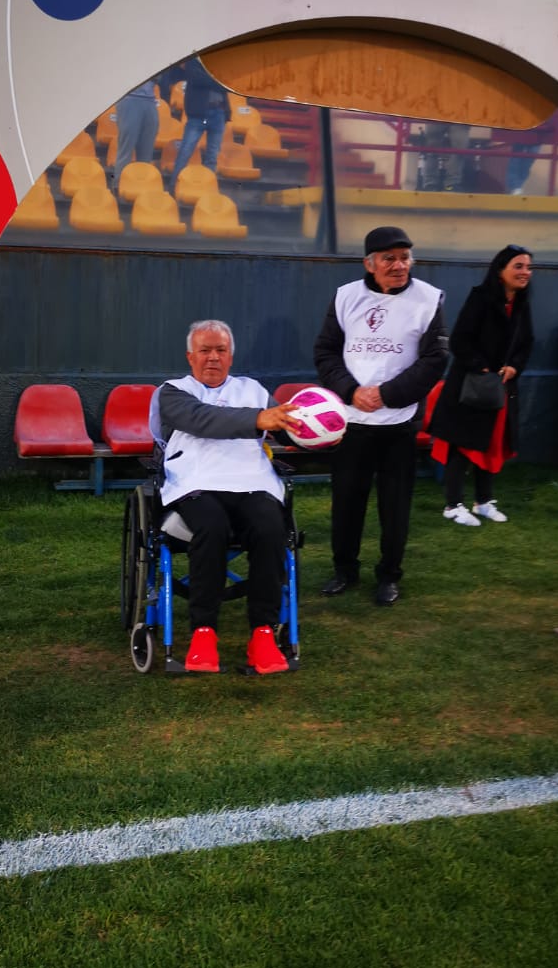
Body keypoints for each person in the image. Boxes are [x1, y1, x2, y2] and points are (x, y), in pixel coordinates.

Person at [153, 319, 301, 673]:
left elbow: (285, 429)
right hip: (195, 483)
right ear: (190, 356)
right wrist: (260, 419)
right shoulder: (173, 392)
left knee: (270, 528)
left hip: (252, 482)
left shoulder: (254, 390)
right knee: (212, 527)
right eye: (205, 350)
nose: (213, 357)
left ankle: (263, 633)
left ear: (231, 356)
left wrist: (316, 430)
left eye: (220, 350)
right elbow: (202, 419)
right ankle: (203, 632)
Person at [313, 226, 448, 606]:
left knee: (395, 506)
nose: (399, 265)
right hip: (351, 422)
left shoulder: (428, 299)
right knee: (346, 503)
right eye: (389, 259)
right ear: (369, 264)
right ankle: (344, 570)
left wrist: (387, 394)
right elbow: (326, 352)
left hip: (398, 424)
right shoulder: (345, 297)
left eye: (405, 257)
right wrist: (351, 391)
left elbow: (435, 359)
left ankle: (389, 575)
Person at [429, 245, 535, 526]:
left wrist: (514, 367)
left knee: (491, 444)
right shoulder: (481, 297)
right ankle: (453, 505)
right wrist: (483, 368)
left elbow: (526, 343)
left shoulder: (522, 303)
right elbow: (459, 340)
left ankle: (483, 502)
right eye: (519, 266)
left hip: (500, 388)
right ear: (500, 270)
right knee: (462, 445)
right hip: (470, 387)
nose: (526, 272)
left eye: (528, 267)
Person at [166, 55, 230, 189]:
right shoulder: (193, 61)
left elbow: (227, 85)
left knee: (212, 156)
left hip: (218, 113)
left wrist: (212, 80)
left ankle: (207, 189)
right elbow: (197, 79)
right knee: (185, 151)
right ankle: (174, 186)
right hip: (198, 114)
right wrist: (216, 80)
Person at [112, 79, 159, 191]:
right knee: (126, 146)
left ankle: (142, 184)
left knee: (146, 149)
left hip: (150, 99)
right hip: (129, 97)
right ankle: (119, 184)